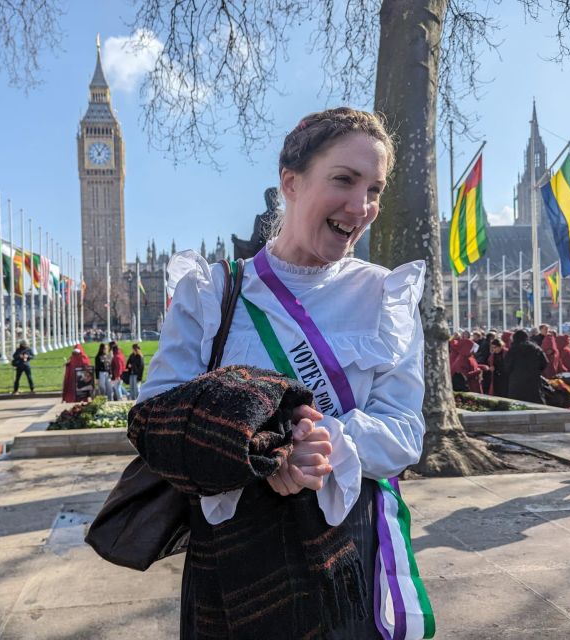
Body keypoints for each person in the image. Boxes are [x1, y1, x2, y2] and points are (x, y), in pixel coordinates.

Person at [134, 108, 427, 638]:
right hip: (236, 556)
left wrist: (325, 446)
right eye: (344, 179)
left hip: (343, 550)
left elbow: (405, 432)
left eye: (375, 189)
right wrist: (264, 448)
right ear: (290, 182)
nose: (361, 206)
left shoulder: (387, 297)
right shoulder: (212, 293)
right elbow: (154, 420)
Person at [505, 329, 549, 404]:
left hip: (516, 381)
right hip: (533, 380)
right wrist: (536, 370)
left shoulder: (513, 349)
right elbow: (545, 362)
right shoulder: (536, 348)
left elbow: (507, 366)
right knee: (534, 403)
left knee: (517, 404)